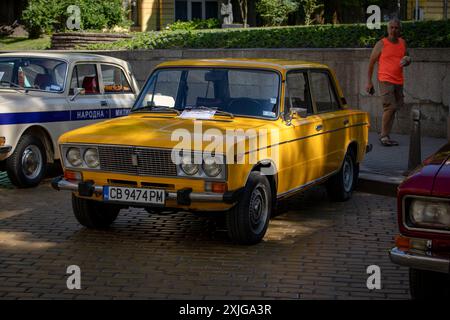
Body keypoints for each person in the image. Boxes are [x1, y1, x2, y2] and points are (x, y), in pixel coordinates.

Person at [367, 17, 411, 146]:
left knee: (395, 108)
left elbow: (407, 58)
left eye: (396, 28)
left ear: (400, 30)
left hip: (398, 81)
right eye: (391, 27)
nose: (394, 30)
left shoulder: (403, 43)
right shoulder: (381, 44)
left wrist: (408, 60)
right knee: (390, 107)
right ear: (388, 29)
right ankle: (384, 136)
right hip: (385, 80)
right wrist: (369, 82)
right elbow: (371, 63)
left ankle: (386, 134)